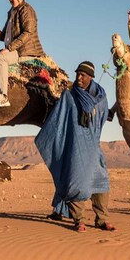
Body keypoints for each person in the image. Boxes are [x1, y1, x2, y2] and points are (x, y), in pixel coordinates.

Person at [35, 61, 115, 232]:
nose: (79, 78)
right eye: (77, 74)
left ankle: (102, 220)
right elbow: (60, 120)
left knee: (102, 184)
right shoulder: (69, 97)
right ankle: (79, 220)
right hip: (76, 148)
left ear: (91, 77)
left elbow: (102, 117)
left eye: (82, 75)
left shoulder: (101, 98)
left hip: (94, 148)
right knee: (77, 183)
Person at [0, 0, 46, 108]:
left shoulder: (26, 10)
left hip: (27, 50)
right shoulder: (12, 12)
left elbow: (28, 33)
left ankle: (3, 96)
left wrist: (9, 48)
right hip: (16, 48)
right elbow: (4, 37)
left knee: (1, 58)